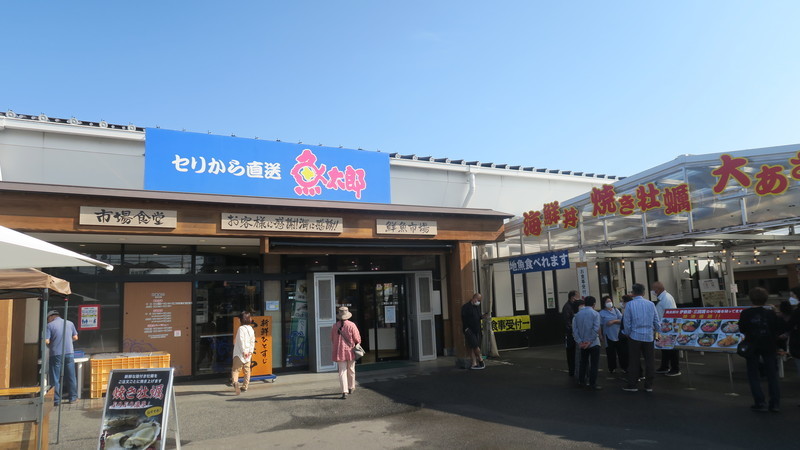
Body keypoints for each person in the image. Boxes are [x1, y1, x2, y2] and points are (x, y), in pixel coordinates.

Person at [739, 287, 780, 412]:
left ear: (751, 299)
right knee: (772, 375)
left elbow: (742, 329)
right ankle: (775, 404)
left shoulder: (746, 313)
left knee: (753, 374)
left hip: (752, 346)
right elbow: (776, 328)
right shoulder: (770, 313)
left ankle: (759, 401)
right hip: (769, 345)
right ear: (766, 299)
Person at [622, 283, 659, 393]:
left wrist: (627, 333)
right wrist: (658, 331)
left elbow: (627, 322)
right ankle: (649, 385)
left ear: (633, 293)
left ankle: (632, 385)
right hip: (648, 336)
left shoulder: (629, 305)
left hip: (634, 336)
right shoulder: (651, 304)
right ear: (643, 292)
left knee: (634, 361)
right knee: (650, 361)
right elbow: (656, 320)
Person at [45, 309, 78, 406]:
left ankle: (56, 400)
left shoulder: (49, 325)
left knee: (55, 378)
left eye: (48, 319)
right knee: (71, 376)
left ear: (51, 317)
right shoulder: (70, 323)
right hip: (69, 353)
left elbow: (46, 341)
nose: (48, 320)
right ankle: (73, 398)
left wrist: (52, 344)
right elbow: (75, 337)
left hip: (56, 354)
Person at [331, 306, 362, 398]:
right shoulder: (352, 325)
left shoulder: (334, 326)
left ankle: (344, 391)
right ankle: (351, 387)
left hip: (339, 351)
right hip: (350, 350)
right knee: (351, 369)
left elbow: (332, 339)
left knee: (342, 371)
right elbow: (357, 339)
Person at [572, 296, 602, 390]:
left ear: (585, 303)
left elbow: (575, 330)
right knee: (594, 364)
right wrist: (590, 341)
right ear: (594, 304)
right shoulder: (596, 314)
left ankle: (581, 381)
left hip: (582, 343)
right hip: (594, 343)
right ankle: (592, 383)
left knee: (583, 362)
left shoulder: (577, 315)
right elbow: (596, 329)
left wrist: (580, 342)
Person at [653, 281, 680, 376]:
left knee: (671, 348)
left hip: (668, 328)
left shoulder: (667, 298)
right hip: (660, 328)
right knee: (663, 348)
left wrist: (668, 328)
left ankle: (675, 369)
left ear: (657, 289)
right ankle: (664, 366)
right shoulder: (662, 298)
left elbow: (671, 314)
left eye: (653, 289)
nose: (652, 291)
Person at [599, 295, 627, 374]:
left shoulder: (616, 310)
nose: (609, 303)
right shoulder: (601, 313)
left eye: (610, 301)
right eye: (607, 301)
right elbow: (599, 325)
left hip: (618, 334)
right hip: (608, 335)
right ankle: (612, 368)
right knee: (611, 353)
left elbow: (622, 320)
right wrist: (600, 335)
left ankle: (624, 367)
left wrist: (614, 321)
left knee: (621, 352)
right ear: (604, 303)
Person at [462, 293, 489, 370]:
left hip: (477, 329)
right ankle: (481, 360)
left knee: (472, 346)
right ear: (474, 298)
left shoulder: (477, 307)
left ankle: (474, 363)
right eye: (478, 300)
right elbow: (463, 318)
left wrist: (483, 316)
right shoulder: (466, 307)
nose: (479, 302)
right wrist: (466, 329)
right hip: (469, 330)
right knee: (475, 345)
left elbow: (479, 317)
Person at [231, 311, 255, 395]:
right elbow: (252, 341)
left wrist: (243, 351)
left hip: (239, 354)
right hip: (248, 355)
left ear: (241, 320)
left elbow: (241, 341)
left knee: (235, 370)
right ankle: (245, 386)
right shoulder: (251, 329)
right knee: (247, 371)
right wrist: (250, 351)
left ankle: (236, 384)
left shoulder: (241, 329)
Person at [561, 290, 580, 376]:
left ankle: (575, 370)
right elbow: (567, 322)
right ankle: (572, 371)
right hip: (570, 334)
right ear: (572, 297)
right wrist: (574, 330)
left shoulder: (573, 306)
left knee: (574, 353)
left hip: (573, 333)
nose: (578, 298)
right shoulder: (567, 307)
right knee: (571, 352)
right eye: (577, 296)